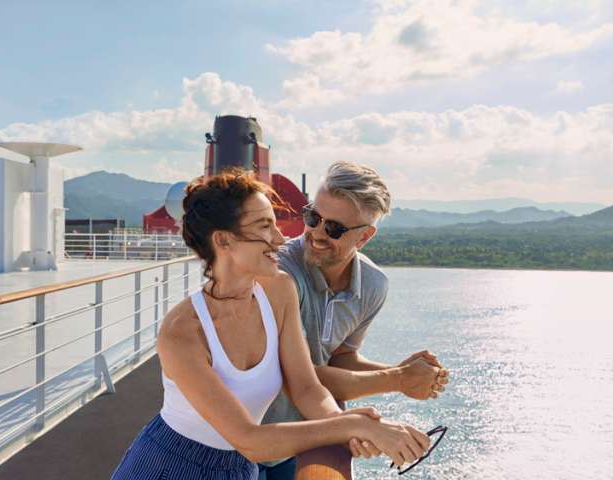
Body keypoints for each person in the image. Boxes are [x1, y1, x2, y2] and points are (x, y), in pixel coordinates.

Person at [111, 170, 431, 480]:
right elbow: (248, 439)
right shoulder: (182, 332)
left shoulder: (279, 290)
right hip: (173, 467)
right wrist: (353, 425)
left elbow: (307, 388)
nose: (281, 238)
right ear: (223, 241)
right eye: (265, 226)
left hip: (240, 470)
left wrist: (347, 425)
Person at [259, 161, 449, 479]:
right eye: (313, 218)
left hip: (307, 432)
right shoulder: (280, 274)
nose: (317, 234)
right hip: (251, 436)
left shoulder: (373, 285)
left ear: (364, 237)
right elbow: (293, 375)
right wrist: (399, 378)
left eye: (333, 228)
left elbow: (340, 357)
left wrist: (404, 375)